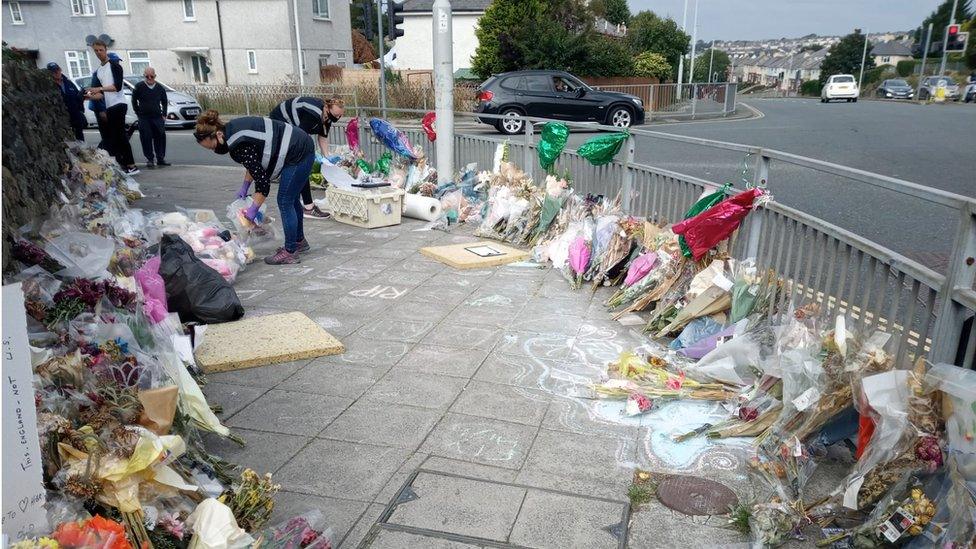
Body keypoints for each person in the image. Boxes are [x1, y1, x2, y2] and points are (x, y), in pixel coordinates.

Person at [193, 110, 316, 265]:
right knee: (291, 199)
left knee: (285, 201)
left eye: (212, 147)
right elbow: (253, 163)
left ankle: (290, 251)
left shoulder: (237, 142)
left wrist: (253, 209)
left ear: (218, 135)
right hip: (299, 144)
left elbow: (263, 182)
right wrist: (245, 185)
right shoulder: (230, 132)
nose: (214, 150)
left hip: (299, 151)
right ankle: (298, 241)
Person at [268, 96, 345, 219]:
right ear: (326, 108)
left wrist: (326, 156)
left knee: (301, 163)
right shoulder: (312, 113)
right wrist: (312, 156)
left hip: (294, 127)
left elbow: (323, 136)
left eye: (339, 116)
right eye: (335, 115)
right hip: (280, 122)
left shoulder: (328, 116)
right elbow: (301, 138)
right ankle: (305, 206)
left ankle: (301, 203)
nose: (336, 118)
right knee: (301, 164)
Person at [85, 40, 139, 175]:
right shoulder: (99, 71)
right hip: (110, 106)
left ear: (105, 49)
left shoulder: (114, 66)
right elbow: (101, 94)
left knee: (120, 135)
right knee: (114, 136)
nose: (98, 53)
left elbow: (117, 87)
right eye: (96, 50)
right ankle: (121, 164)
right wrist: (88, 96)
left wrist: (99, 88)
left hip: (119, 104)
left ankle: (131, 165)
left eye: (100, 50)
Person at [132, 67, 170, 169]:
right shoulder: (139, 86)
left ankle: (160, 158)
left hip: (157, 116)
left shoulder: (159, 88)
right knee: (146, 138)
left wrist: (164, 114)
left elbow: (165, 101)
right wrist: (138, 112)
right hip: (144, 117)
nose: (149, 78)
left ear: (155, 76)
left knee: (160, 137)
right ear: (144, 76)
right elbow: (134, 100)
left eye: (151, 76)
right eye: (147, 76)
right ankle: (149, 159)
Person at [47, 62, 86, 141]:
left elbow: (77, 96)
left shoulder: (68, 83)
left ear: (60, 69)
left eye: (57, 70)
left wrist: (80, 109)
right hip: (61, 118)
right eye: (53, 71)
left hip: (75, 115)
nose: (56, 73)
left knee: (80, 139)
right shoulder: (49, 85)